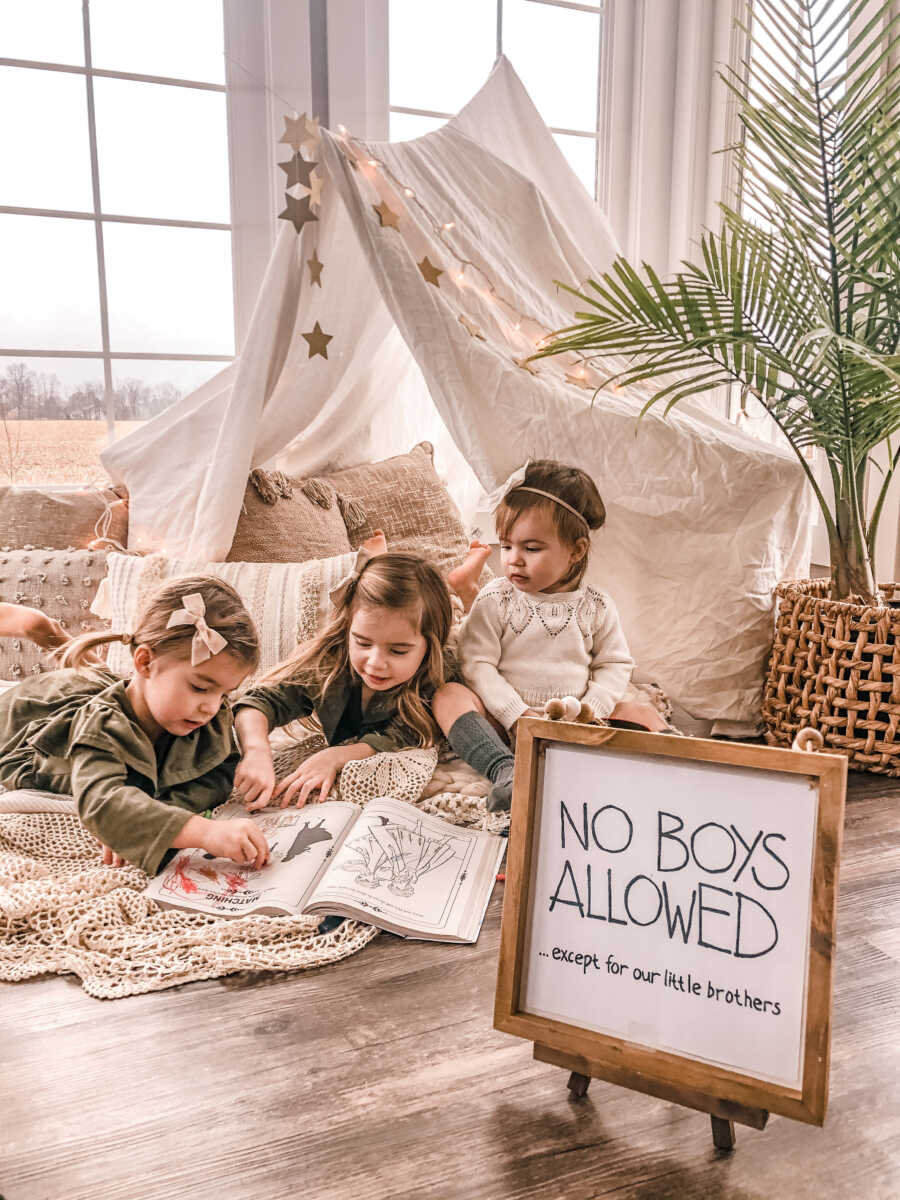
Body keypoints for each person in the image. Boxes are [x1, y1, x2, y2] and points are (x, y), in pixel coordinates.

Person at [431, 459, 667, 812]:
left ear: (576, 551)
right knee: (449, 696)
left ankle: (680, 763)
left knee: (642, 711)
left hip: (576, 718)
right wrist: (516, 714)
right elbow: (476, 663)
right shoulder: (497, 598)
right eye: (507, 546)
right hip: (505, 721)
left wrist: (593, 709)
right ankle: (504, 768)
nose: (513, 560)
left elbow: (614, 664)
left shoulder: (595, 605)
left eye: (532, 548)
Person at [0, 577, 270, 875]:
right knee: (79, 687)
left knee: (104, 680)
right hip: (32, 716)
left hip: (117, 690)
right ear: (144, 662)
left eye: (224, 693)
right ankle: (37, 626)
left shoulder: (208, 712)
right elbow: (103, 802)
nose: (211, 706)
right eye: (199, 687)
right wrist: (202, 832)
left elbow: (218, 771)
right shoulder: (102, 724)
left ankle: (48, 633)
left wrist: (154, 818)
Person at [233, 550, 456, 811]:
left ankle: (464, 589)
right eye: (362, 642)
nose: (374, 662)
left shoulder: (436, 675)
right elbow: (258, 701)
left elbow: (401, 735)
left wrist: (335, 756)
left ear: (430, 647)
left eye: (398, 650)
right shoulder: (330, 661)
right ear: (347, 628)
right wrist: (257, 751)